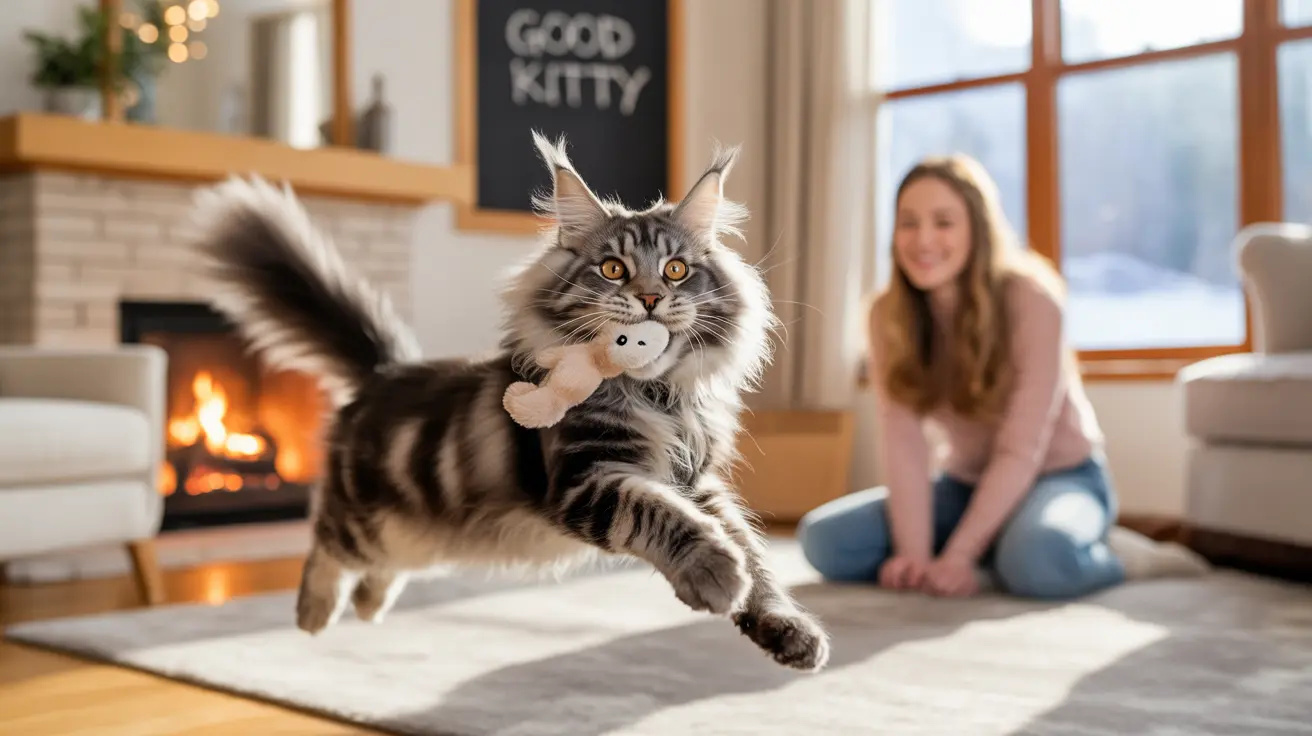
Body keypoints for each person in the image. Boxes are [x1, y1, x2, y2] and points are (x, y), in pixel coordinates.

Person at [796, 154, 1208, 599]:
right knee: (826, 541)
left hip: (1060, 475)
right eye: (909, 222)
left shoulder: (1032, 299)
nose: (924, 239)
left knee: (1038, 562)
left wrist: (959, 556)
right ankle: (999, 549)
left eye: (943, 222)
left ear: (978, 228)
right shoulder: (886, 315)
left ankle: (1121, 555)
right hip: (964, 484)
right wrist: (913, 554)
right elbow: (904, 444)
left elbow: (1021, 449)